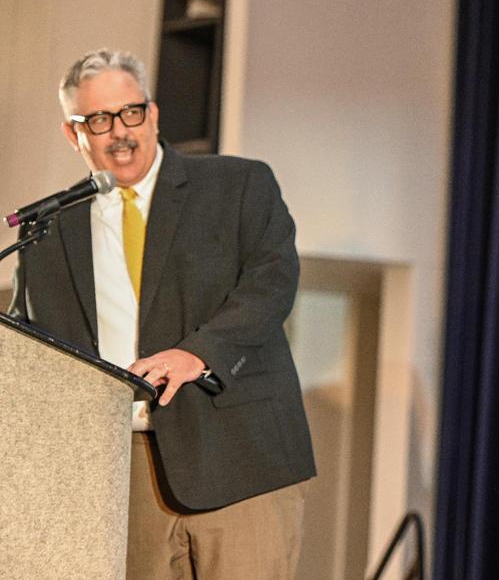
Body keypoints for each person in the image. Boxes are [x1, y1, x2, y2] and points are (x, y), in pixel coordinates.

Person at [8, 49, 315, 580]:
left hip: (239, 459)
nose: (118, 132)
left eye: (130, 113)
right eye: (98, 120)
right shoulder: (48, 233)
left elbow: (271, 283)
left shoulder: (237, 186)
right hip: (118, 478)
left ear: (152, 113)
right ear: (72, 133)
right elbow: (28, 354)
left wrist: (198, 353)